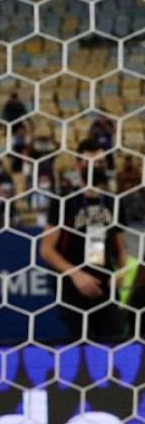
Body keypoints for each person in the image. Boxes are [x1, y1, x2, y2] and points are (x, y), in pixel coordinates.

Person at [38, 138, 128, 343]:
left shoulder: (113, 202)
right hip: (73, 289)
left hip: (106, 288)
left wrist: (120, 274)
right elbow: (47, 249)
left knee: (114, 344)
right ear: (78, 164)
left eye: (101, 164)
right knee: (81, 352)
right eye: (91, 163)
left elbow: (121, 247)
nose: (97, 167)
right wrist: (77, 275)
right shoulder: (64, 200)